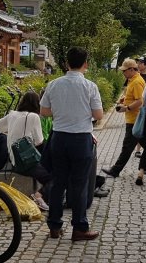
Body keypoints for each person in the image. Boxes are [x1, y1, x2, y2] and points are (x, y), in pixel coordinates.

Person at [40, 47, 103, 241]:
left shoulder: (54, 84)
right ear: (86, 64)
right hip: (81, 139)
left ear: (66, 63)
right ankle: (79, 228)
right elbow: (98, 115)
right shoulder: (90, 86)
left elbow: (44, 111)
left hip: (59, 138)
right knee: (79, 185)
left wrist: (62, 112)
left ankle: (54, 226)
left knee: (58, 182)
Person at [0, 91, 50, 211]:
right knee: (54, 176)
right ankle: (39, 196)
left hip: (14, 160)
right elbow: (39, 142)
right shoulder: (34, 117)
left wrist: (11, 133)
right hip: (26, 162)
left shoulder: (12, 115)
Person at [102, 58, 146, 179]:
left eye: (124, 71)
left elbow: (140, 100)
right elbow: (134, 97)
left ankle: (115, 170)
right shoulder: (133, 80)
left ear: (132, 69)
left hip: (135, 119)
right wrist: (125, 100)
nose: (123, 73)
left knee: (127, 146)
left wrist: (126, 108)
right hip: (134, 118)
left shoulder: (137, 81)